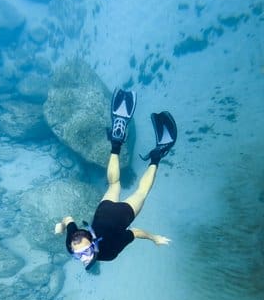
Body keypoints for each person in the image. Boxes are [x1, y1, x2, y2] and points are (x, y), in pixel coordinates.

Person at [54, 88, 176, 271]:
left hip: (122, 215)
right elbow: (69, 218)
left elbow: (135, 232)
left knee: (142, 191)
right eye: (79, 255)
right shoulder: (73, 239)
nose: (83, 258)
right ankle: (116, 141)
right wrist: (62, 226)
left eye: (85, 252)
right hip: (104, 211)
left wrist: (154, 238)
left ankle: (157, 155)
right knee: (114, 183)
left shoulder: (109, 253)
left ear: (91, 243)